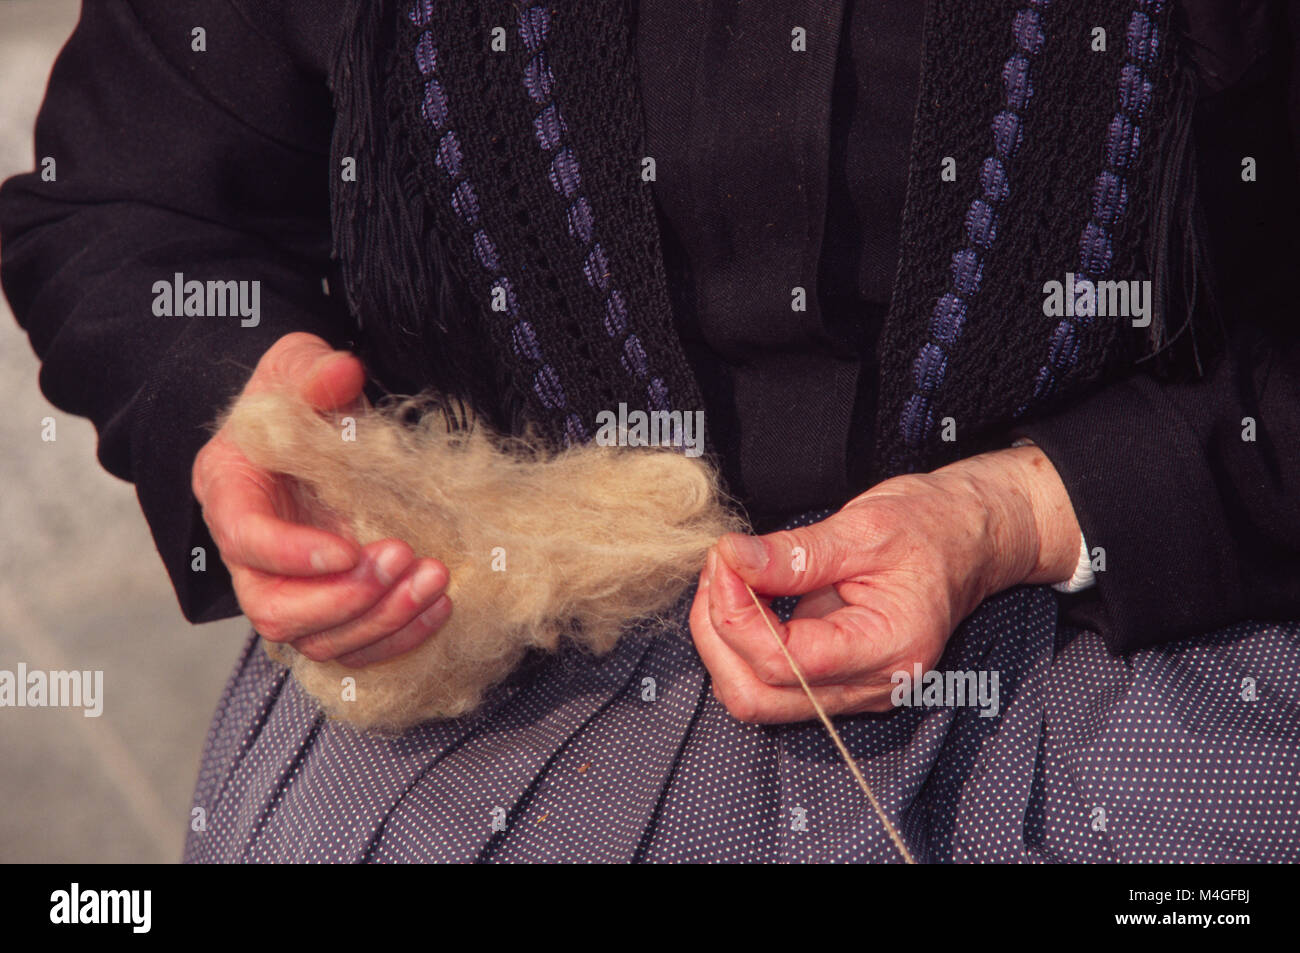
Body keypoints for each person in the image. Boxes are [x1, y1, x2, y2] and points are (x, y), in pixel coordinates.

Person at [3, 0, 1299, 862]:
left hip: (1132, 588)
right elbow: (120, 205)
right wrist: (257, 405)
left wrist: (1023, 511)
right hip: (484, 619)